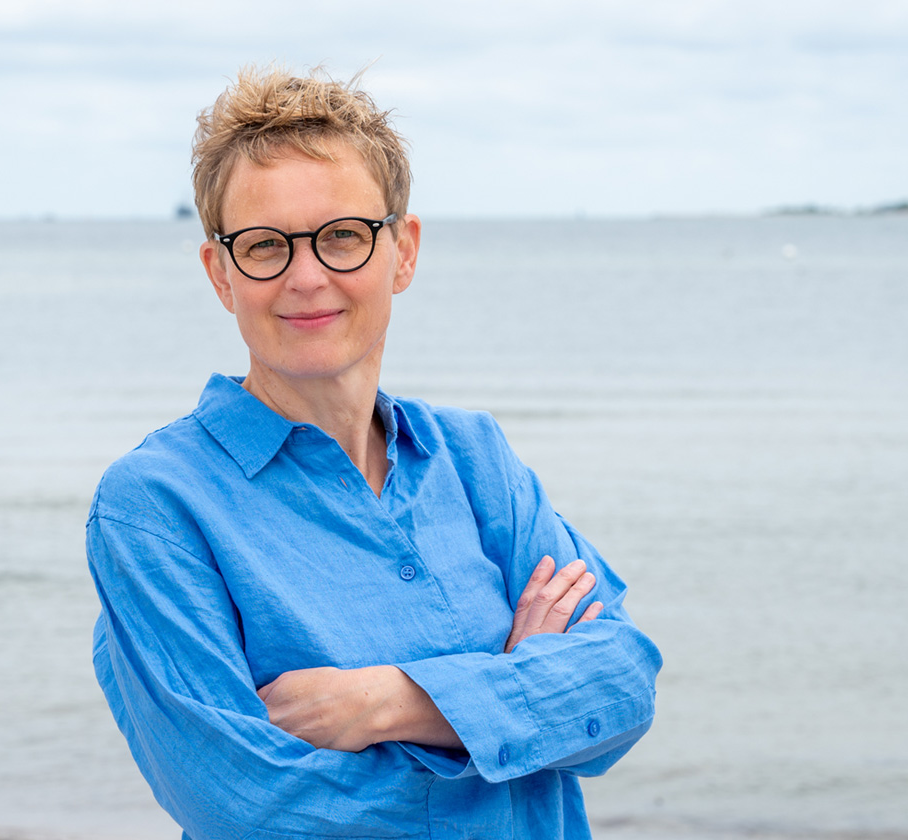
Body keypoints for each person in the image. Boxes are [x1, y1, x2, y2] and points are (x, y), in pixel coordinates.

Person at [86, 66, 661, 839]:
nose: (308, 276)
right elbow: (249, 805)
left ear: (404, 251)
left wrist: (392, 703)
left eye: (344, 237)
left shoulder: (474, 457)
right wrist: (513, 706)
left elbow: (621, 684)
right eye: (264, 246)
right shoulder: (156, 506)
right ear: (221, 273)